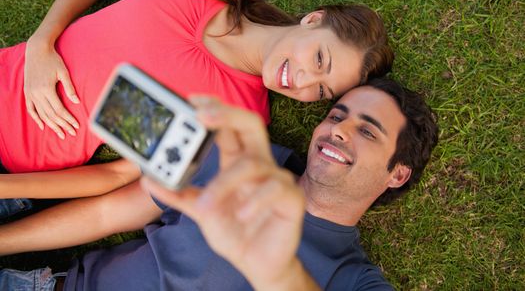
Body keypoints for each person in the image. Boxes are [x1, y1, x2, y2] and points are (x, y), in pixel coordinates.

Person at [0, 0, 393, 205]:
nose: (304, 81)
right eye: (320, 57)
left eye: (321, 90)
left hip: (15, 163)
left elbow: (115, 175)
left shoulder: (234, 114)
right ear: (314, 19)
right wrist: (40, 45)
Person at [0, 78, 438, 290]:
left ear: (397, 172)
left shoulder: (350, 277)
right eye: (336, 115)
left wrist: (276, 271)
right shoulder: (244, 158)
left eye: (368, 131)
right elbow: (107, 210)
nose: (338, 130)